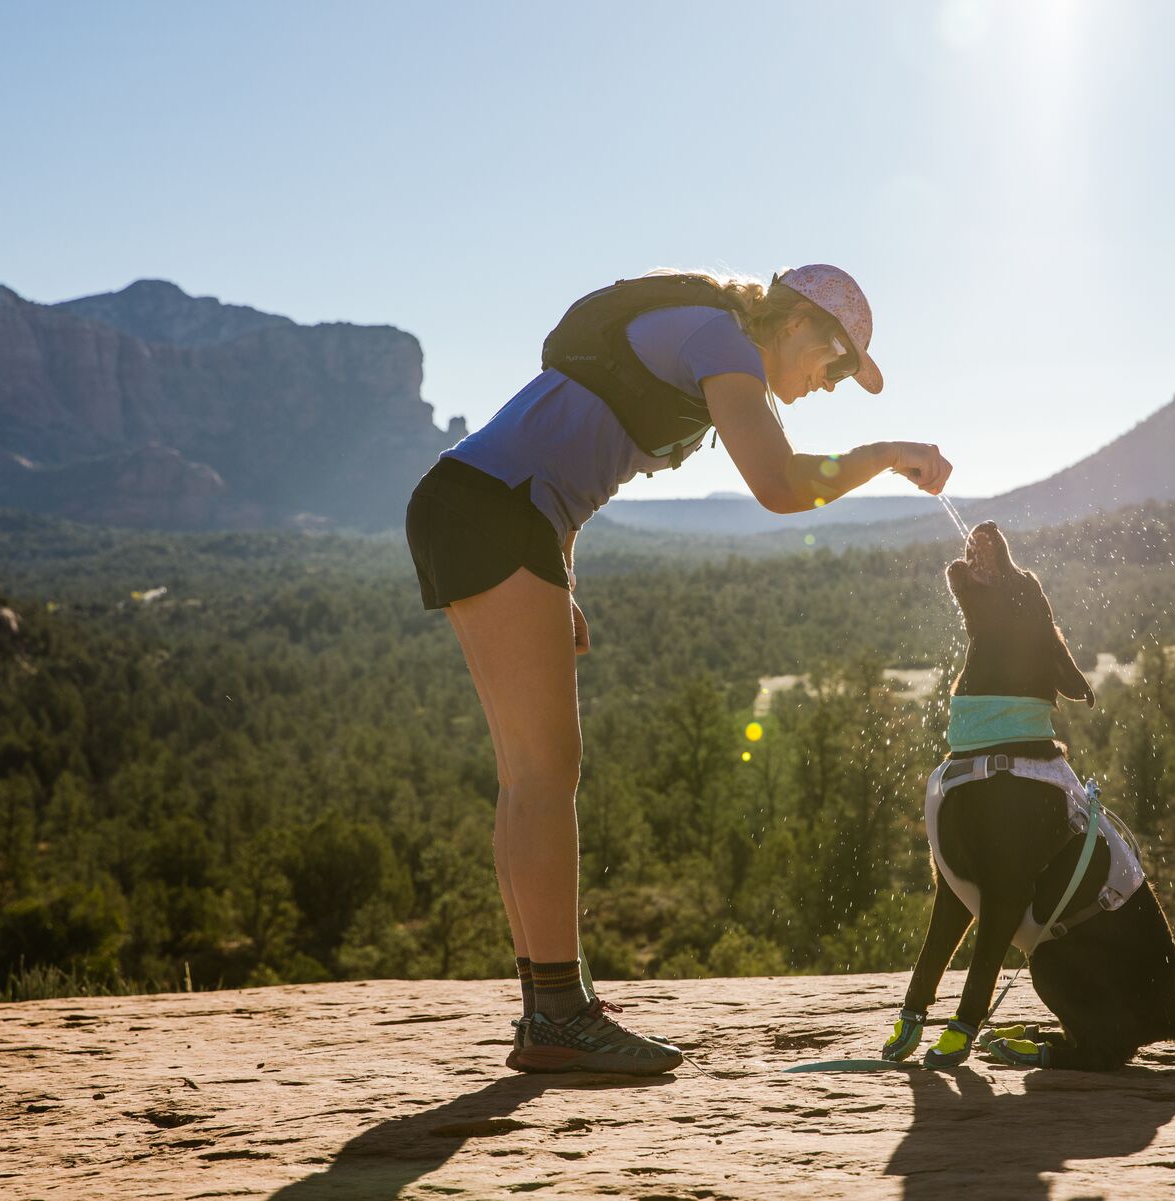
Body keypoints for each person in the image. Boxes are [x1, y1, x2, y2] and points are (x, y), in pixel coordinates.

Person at [405, 264, 952, 1074]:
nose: (831, 385)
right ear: (800, 324)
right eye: (837, 366)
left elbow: (556, 452)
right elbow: (780, 486)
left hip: (483, 508)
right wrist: (888, 452)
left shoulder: (711, 344)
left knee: (528, 775)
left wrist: (562, 583)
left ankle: (548, 1004)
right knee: (547, 773)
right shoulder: (722, 340)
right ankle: (559, 1011)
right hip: (493, 512)